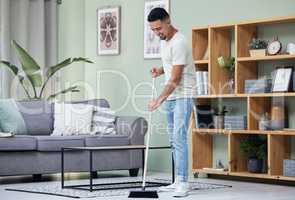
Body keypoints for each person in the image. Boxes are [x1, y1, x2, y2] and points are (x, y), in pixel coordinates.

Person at [147, 7, 196, 197]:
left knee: (179, 138)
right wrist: (159, 70)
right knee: (173, 141)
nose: (157, 33)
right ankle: (177, 180)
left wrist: (158, 100)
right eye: (153, 30)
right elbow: (172, 65)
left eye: (159, 28)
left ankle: (183, 182)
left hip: (184, 95)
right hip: (172, 96)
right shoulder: (164, 42)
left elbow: (175, 79)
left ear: (168, 21)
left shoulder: (180, 42)